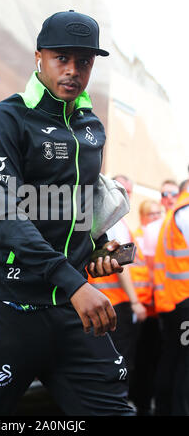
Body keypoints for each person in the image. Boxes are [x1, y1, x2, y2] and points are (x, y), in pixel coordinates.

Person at [0, 10, 135, 416]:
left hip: (71, 311)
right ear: (38, 56)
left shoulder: (92, 129)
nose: (73, 70)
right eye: (62, 58)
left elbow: (74, 211)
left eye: (85, 62)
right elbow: (4, 213)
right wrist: (75, 284)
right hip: (10, 308)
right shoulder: (6, 119)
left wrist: (97, 247)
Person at [87, 175, 147, 401]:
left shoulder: (100, 218)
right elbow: (123, 264)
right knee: (117, 361)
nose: (128, 196)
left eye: (130, 191)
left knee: (101, 361)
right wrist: (135, 301)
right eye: (125, 191)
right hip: (114, 304)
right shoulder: (113, 220)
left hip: (99, 300)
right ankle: (115, 404)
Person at [153, 179, 189, 415]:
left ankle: (165, 410)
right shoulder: (184, 212)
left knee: (174, 359)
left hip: (174, 301)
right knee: (184, 366)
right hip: (184, 300)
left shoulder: (175, 213)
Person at [130, 199, 163, 415]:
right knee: (139, 358)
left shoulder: (158, 235)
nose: (156, 217)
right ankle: (139, 401)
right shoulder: (138, 238)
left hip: (155, 309)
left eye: (158, 213)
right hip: (140, 308)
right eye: (152, 214)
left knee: (153, 358)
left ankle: (146, 400)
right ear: (142, 217)